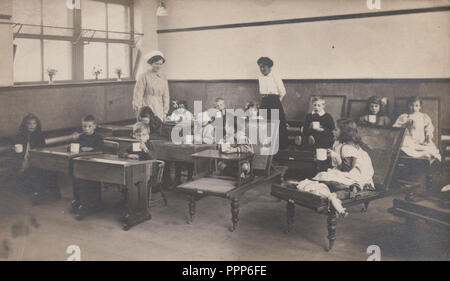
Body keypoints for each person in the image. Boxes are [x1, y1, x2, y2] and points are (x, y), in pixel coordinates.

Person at [313, 119, 375, 192]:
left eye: (336, 130)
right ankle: (346, 185)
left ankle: (353, 185)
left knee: (326, 176)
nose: (333, 131)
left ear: (344, 133)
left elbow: (347, 168)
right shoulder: (338, 143)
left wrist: (335, 156)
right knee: (323, 175)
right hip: (344, 169)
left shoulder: (348, 148)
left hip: (355, 172)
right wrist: (328, 155)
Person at [14, 114, 57, 204]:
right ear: (25, 125)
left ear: (37, 125)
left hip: (36, 159)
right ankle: (39, 192)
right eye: (29, 123)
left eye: (34, 123)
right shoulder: (20, 135)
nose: (32, 126)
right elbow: (17, 151)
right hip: (23, 160)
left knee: (47, 170)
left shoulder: (39, 135)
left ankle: (43, 193)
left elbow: (43, 150)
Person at [70, 115, 104, 217]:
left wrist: (91, 149)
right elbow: (72, 148)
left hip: (94, 165)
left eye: (89, 126)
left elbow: (102, 150)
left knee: (88, 184)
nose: (86, 129)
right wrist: (75, 142)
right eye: (84, 126)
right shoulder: (81, 137)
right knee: (77, 181)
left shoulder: (98, 137)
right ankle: (79, 203)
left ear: (95, 126)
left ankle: (88, 205)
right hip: (82, 165)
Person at [392, 96, 441, 163]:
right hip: (409, 142)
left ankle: (424, 154)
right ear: (408, 105)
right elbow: (395, 128)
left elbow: (429, 127)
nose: (414, 108)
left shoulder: (423, 117)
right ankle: (420, 154)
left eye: (416, 105)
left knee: (430, 148)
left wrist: (428, 136)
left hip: (421, 141)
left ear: (420, 106)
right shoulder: (404, 117)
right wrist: (405, 124)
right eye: (411, 105)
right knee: (402, 148)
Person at [257, 56, 288, 150]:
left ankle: (279, 148)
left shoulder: (275, 75)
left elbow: (283, 91)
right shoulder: (260, 78)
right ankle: (267, 147)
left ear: (269, 66)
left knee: (277, 125)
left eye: (264, 66)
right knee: (264, 124)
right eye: (260, 67)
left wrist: (276, 102)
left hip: (274, 102)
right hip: (264, 102)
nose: (262, 69)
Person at [133, 50, 170, 121]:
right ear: (151, 63)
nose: (158, 66)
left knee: (158, 127)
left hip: (159, 108)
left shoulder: (163, 77)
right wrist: (139, 110)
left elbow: (166, 96)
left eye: (160, 64)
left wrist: (165, 111)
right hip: (146, 106)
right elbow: (138, 94)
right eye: (156, 64)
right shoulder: (143, 76)